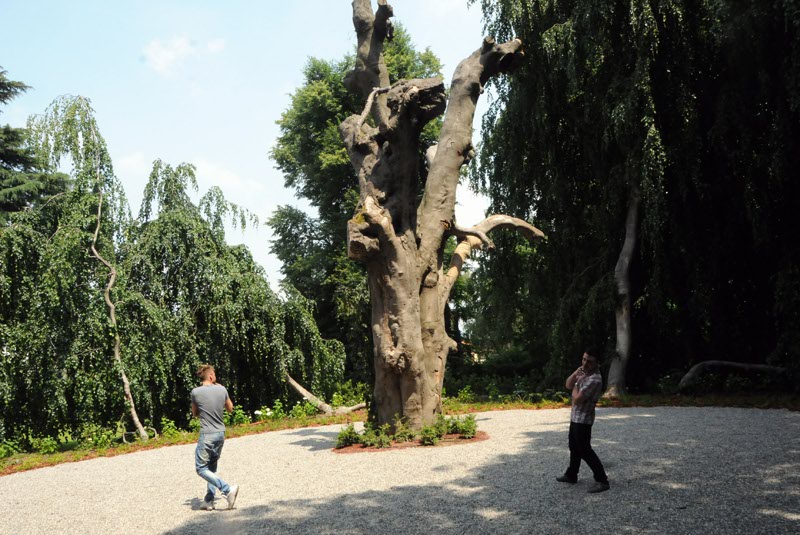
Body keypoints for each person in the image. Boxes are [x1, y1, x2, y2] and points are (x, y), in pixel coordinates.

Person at [556, 349, 610, 493]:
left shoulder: (595, 379)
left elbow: (577, 399)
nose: (585, 363)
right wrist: (576, 374)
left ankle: (602, 480)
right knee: (574, 447)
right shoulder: (583, 372)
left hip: (584, 419)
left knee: (585, 450)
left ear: (597, 363)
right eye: (584, 359)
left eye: (589, 361)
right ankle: (571, 475)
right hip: (575, 417)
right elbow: (567, 384)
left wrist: (575, 386)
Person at [191, 364, 240, 510]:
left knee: (201, 468)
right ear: (211, 376)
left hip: (207, 434)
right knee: (211, 467)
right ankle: (209, 500)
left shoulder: (195, 392)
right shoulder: (222, 389)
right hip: (220, 433)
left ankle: (227, 490)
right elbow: (231, 409)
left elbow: (195, 413)